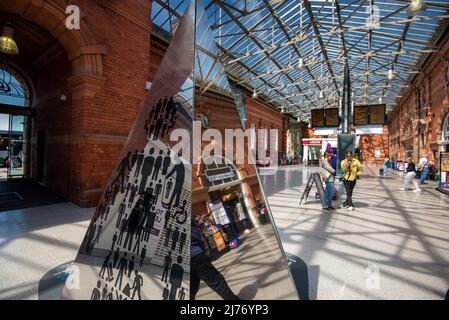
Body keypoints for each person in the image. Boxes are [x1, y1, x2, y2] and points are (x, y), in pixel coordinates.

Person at [190, 216, 240, 300]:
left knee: (191, 289)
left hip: (182, 259)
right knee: (217, 281)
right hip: (195, 254)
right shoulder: (184, 211)